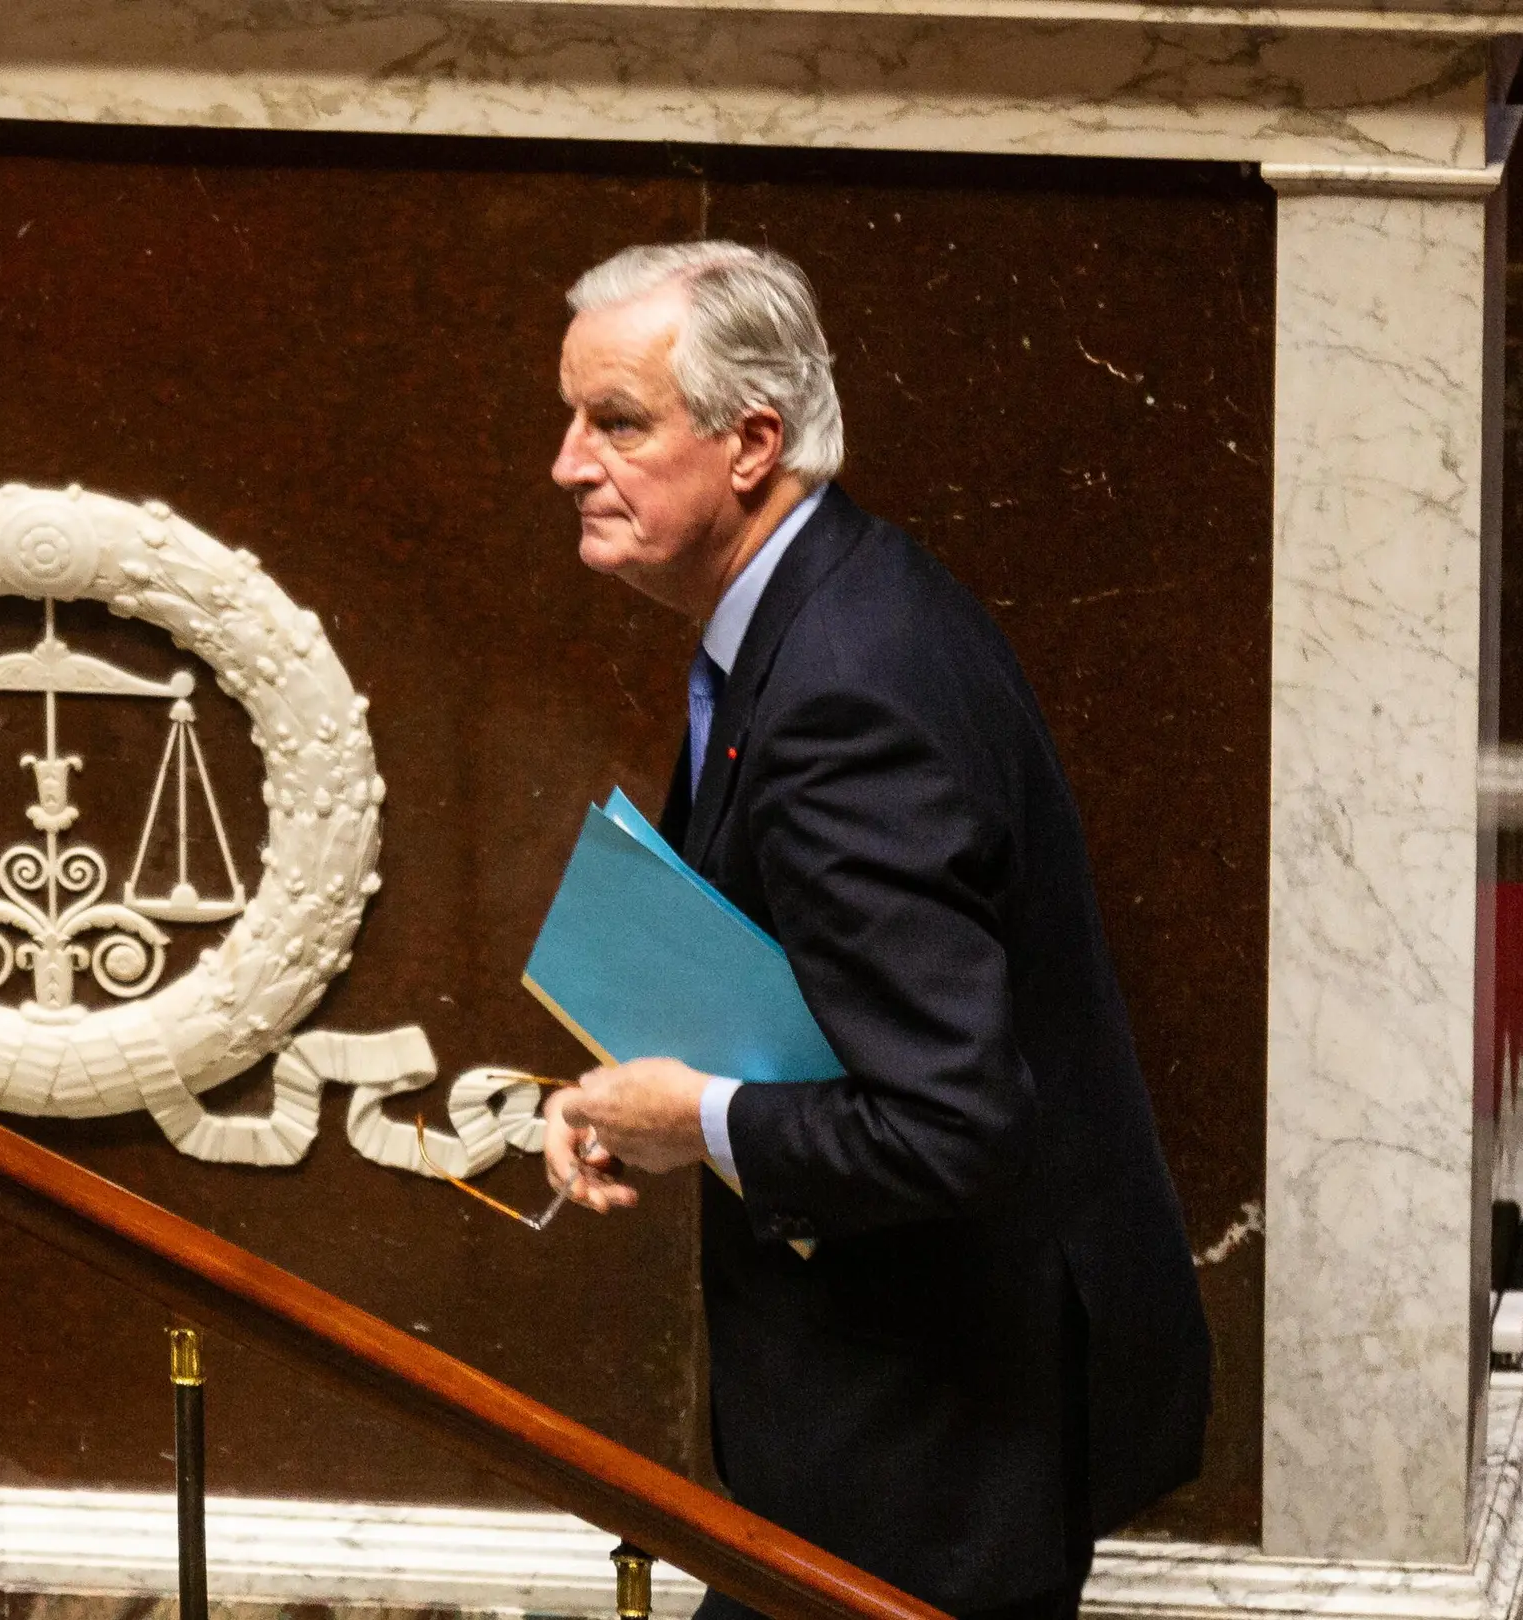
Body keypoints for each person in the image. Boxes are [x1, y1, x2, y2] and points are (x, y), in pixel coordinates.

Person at [538, 242, 1211, 1620]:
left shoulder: (846, 694)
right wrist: (634, 1088)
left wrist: (700, 1122)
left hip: (939, 1432)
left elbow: (953, 1122)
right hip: (896, 1398)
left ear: (752, 442)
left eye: (616, 422)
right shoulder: (821, 600)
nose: (567, 463)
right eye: (571, 418)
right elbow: (808, 971)